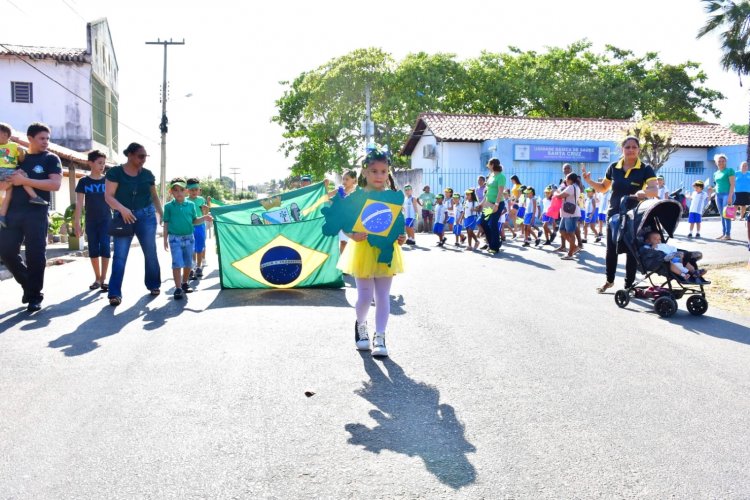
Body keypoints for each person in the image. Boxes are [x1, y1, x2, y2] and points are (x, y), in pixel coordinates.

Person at [337, 148, 406, 358]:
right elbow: (344, 221)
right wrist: (351, 235)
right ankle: (361, 325)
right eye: (374, 171)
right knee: (365, 297)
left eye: (383, 171)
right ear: (364, 172)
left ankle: (381, 336)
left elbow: (397, 223)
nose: (379, 176)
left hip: (386, 249)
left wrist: (400, 236)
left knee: (383, 296)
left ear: (388, 174)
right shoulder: (356, 197)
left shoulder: (392, 197)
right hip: (363, 250)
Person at [582, 136, 658, 292]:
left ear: (638, 149)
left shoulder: (645, 168)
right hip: (614, 214)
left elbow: (654, 190)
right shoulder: (613, 167)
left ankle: (628, 285)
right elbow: (603, 187)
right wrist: (589, 181)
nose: (631, 150)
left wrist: (643, 192)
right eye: (627, 147)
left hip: (634, 215)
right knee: (611, 249)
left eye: (634, 147)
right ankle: (609, 281)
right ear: (622, 149)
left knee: (631, 250)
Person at [0, 122, 62, 312]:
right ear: (30, 139)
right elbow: (3, 185)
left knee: (36, 255)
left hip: (36, 212)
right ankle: (29, 285)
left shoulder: (50, 158)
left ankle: (35, 296)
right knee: (6, 252)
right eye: (42, 138)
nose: (45, 142)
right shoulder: (17, 157)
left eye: (47, 139)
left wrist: (25, 180)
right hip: (11, 213)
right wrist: (9, 181)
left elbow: (55, 184)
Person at [104, 142, 164, 306]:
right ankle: (114, 293)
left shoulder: (147, 174)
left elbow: (154, 196)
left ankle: (154, 284)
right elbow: (108, 196)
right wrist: (122, 209)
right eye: (140, 156)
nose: (143, 159)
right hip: (123, 217)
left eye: (145, 156)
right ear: (129, 155)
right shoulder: (115, 172)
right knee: (120, 256)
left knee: (150, 252)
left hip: (146, 215)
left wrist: (162, 214)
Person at [163, 178, 213, 299]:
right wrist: (165, 239)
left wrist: (205, 217)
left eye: (181, 190)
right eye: (175, 190)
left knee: (188, 263)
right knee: (176, 263)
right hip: (174, 239)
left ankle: (185, 283)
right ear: (171, 192)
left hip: (189, 238)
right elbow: (166, 223)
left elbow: (195, 220)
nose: (179, 193)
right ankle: (178, 288)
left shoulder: (190, 205)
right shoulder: (168, 206)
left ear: (186, 191)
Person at [73, 150, 111, 291]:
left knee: (105, 247)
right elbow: (79, 203)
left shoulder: (107, 180)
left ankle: (104, 278)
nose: (102, 166)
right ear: (90, 163)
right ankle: (97, 278)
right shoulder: (83, 181)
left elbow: (114, 199)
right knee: (93, 249)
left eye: (104, 163)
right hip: (91, 221)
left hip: (106, 220)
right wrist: (77, 223)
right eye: (99, 163)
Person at [0, 122, 48, 229]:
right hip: (5, 170)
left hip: (8, 170)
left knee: (9, 193)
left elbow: (21, 159)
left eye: (2, 134)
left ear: (6, 135)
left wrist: (21, 152)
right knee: (21, 174)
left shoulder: (13, 145)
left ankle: (2, 215)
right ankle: (34, 196)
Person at [480, 158, 506, 254]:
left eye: (489, 164)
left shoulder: (501, 176)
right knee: (483, 222)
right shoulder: (491, 175)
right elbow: (488, 189)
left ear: (493, 165)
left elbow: (500, 192)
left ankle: (494, 247)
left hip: (497, 204)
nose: (487, 165)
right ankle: (493, 242)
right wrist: (483, 202)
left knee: (492, 224)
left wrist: (496, 204)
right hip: (488, 203)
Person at [554, 173, 581, 260]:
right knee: (561, 230)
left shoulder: (571, 187)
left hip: (570, 214)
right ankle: (575, 247)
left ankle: (570, 253)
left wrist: (555, 193)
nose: (565, 180)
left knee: (571, 233)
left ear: (570, 179)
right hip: (567, 213)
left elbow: (560, 196)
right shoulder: (575, 187)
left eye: (566, 179)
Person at [185, 178, 209, 278]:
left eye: (196, 189)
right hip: (189, 228)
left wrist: (206, 210)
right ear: (187, 190)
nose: (194, 192)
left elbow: (205, 213)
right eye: (191, 190)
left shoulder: (201, 200)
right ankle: (191, 267)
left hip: (200, 226)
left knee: (199, 248)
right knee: (191, 249)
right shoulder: (185, 201)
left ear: (199, 190)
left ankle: (198, 267)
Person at [713, 154, 736, 240]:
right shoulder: (715, 173)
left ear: (725, 162)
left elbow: (732, 184)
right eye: (719, 161)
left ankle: (728, 234)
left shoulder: (729, 170)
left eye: (723, 161)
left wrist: (730, 196)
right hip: (718, 195)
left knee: (726, 214)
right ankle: (723, 233)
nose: (721, 162)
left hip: (728, 194)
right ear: (716, 163)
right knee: (722, 215)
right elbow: (717, 185)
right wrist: (712, 189)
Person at [335, 170, 359, 253]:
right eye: (343, 179)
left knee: (354, 244)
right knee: (343, 242)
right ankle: (342, 263)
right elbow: (326, 195)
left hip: (354, 221)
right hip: (342, 221)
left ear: (354, 180)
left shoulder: (358, 191)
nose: (344, 181)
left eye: (347, 179)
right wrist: (324, 186)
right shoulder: (340, 190)